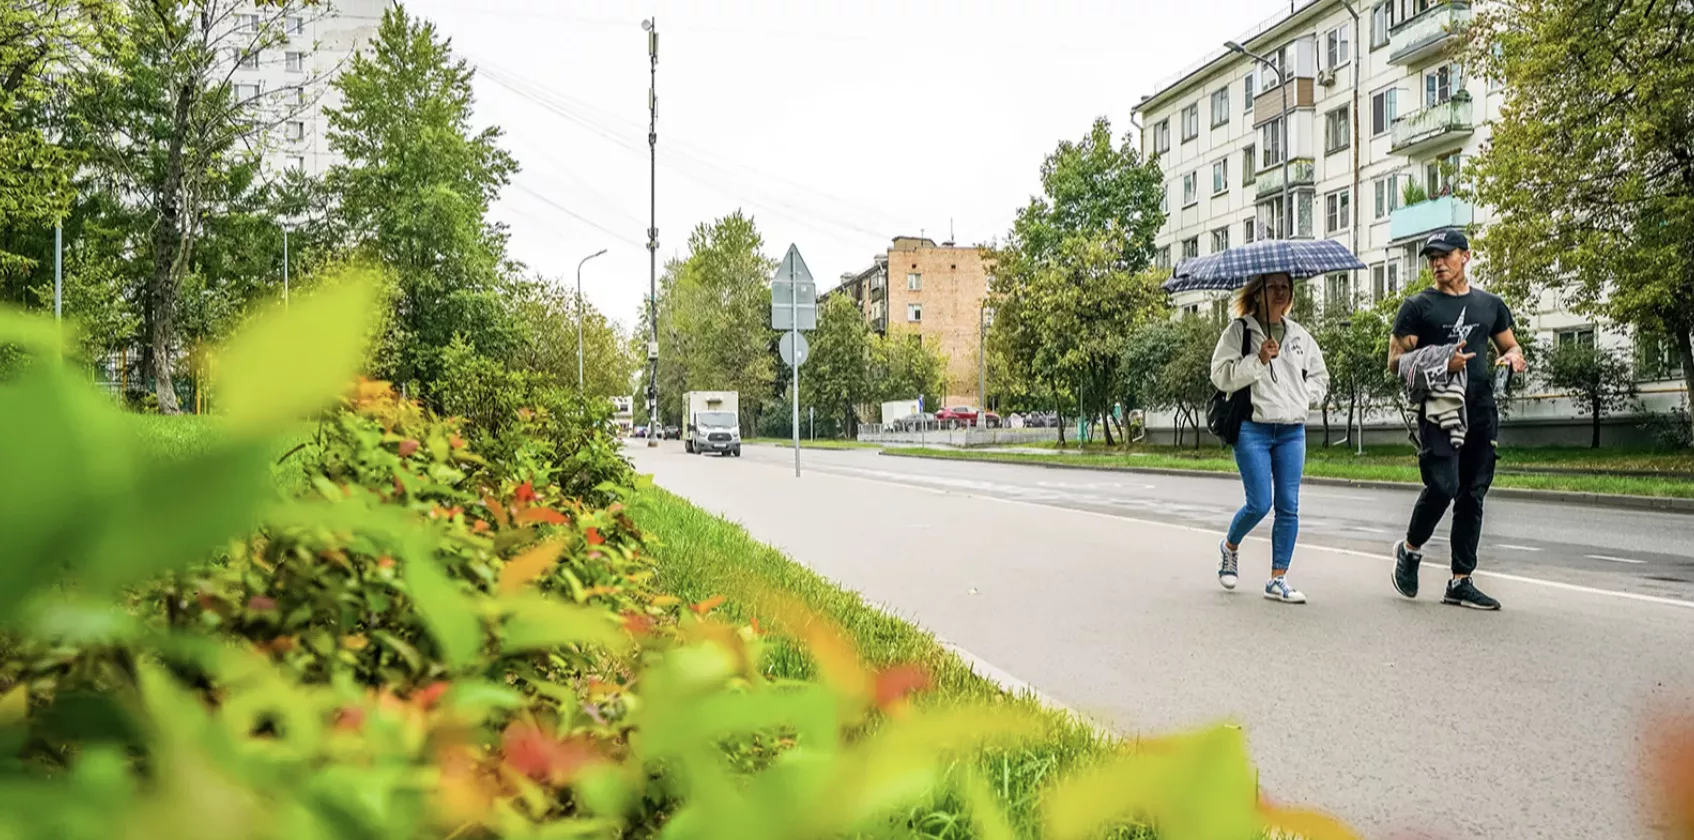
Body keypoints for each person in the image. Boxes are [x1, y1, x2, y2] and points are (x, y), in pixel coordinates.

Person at [1387, 229, 1527, 610]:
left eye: (1444, 255)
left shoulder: (1490, 305)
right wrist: (1440, 360)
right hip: (1440, 411)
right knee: (1444, 486)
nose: (1436, 263)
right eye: (1431, 257)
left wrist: (1513, 356)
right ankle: (1411, 549)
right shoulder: (1417, 307)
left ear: (1465, 256)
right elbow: (1396, 364)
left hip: (1481, 411)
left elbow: (1509, 343)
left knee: (1472, 495)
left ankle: (1460, 581)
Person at [1211, 272, 1329, 604]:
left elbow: (1319, 375)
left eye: (1286, 287)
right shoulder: (1239, 331)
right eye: (1273, 286)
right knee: (1260, 503)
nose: (1280, 292)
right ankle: (1230, 546)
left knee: (1288, 506)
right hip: (1254, 428)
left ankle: (1278, 579)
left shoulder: (1299, 336)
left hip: (1292, 430)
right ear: (1259, 292)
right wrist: (1258, 359)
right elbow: (1221, 376)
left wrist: (1306, 397)